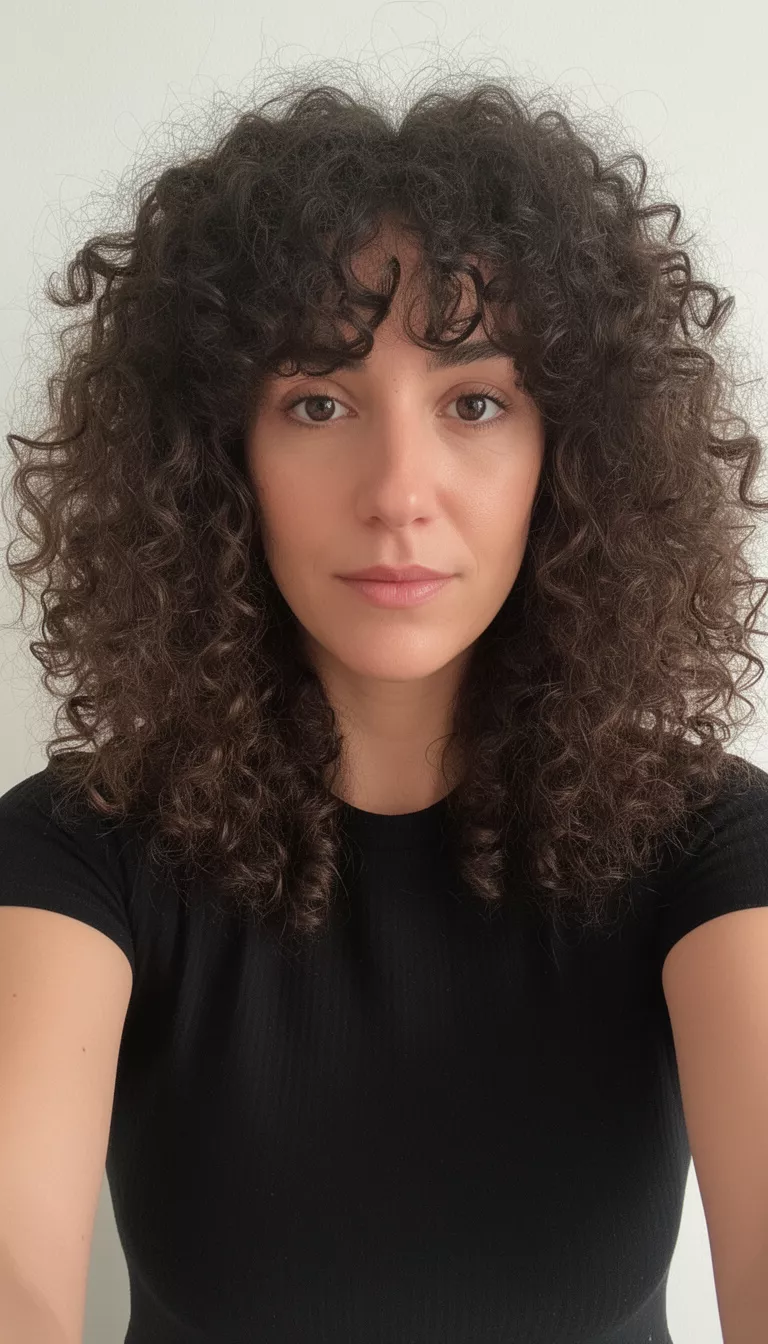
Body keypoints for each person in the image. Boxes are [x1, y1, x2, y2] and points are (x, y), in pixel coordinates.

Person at [1, 69, 768, 1344]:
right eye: (318, 402)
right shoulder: (77, 850)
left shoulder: (710, 841)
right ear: (217, 457)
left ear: (566, 458)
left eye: (474, 403)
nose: (399, 490)